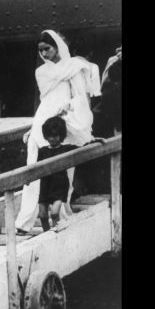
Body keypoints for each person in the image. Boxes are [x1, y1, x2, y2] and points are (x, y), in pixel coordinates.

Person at [13, 30, 98, 235]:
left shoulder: (73, 67)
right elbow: (46, 98)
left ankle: (60, 213)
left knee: (64, 168)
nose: (44, 54)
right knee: (34, 168)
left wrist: (69, 107)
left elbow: (80, 96)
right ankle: (24, 222)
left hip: (63, 121)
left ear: (57, 46)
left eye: (47, 49)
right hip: (44, 119)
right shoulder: (42, 72)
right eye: (41, 50)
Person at [37, 116, 77, 231]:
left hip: (59, 185)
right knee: (43, 215)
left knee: (54, 213)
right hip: (45, 185)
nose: (52, 139)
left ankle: (55, 234)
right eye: (50, 136)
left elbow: (83, 148)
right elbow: (36, 169)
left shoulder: (66, 149)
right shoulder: (43, 151)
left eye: (55, 136)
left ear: (61, 135)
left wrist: (95, 140)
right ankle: (46, 235)